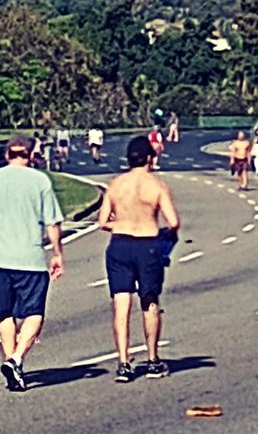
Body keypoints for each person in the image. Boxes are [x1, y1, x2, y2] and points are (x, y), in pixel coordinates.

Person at [0, 134, 65, 392]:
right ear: (32, 155)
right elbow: (52, 222)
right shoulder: (40, 180)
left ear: (6, 154)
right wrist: (57, 253)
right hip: (29, 260)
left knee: (5, 314)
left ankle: (13, 364)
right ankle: (16, 360)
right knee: (34, 313)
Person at [99, 134, 180, 383]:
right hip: (148, 245)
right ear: (148, 158)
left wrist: (122, 224)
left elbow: (102, 222)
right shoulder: (156, 186)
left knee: (121, 305)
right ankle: (152, 359)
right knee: (149, 302)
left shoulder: (115, 185)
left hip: (120, 244)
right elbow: (173, 221)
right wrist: (166, 235)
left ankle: (124, 363)